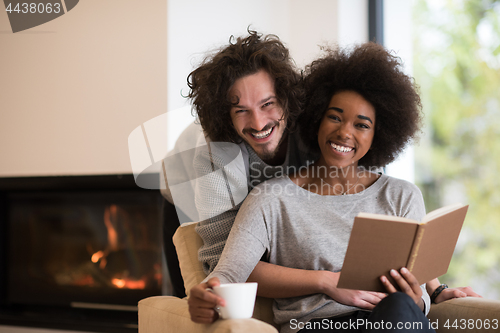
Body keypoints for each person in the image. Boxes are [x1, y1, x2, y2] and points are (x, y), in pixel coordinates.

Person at [187, 43, 480, 332]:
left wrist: (428, 296)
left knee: (399, 310)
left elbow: (416, 281)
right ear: (316, 118)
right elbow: (226, 269)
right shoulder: (261, 193)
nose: (344, 132)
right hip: (319, 325)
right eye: (334, 117)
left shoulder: (402, 196)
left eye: (362, 125)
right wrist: (206, 293)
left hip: (394, 320)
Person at [160, 29, 316, 277]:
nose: (258, 123)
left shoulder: (311, 133)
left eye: (267, 104)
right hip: (183, 186)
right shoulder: (214, 153)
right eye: (241, 110)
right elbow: (223, 263)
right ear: (226, 115)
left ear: (286, 98)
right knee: (192, 283)